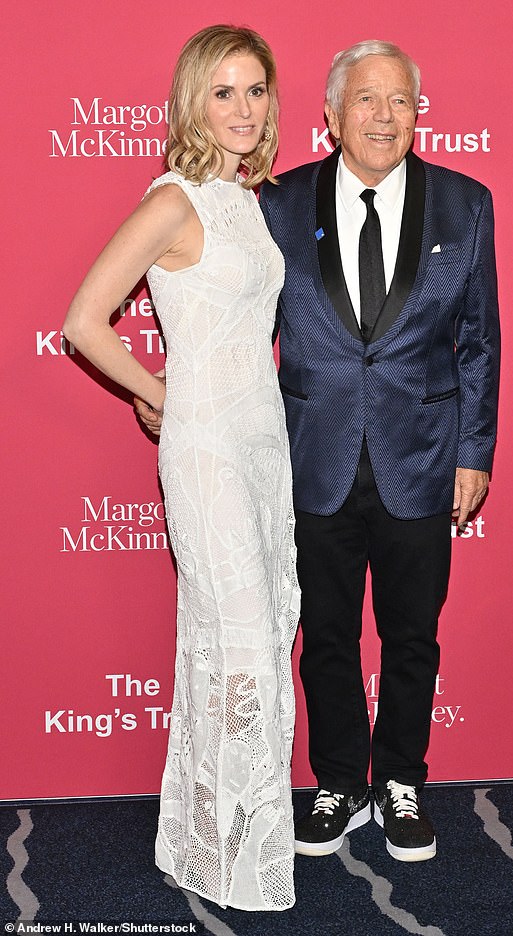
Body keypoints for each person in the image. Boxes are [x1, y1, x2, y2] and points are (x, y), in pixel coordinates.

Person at [140, 39, 500, 864]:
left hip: (423, 455)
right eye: (366, 100)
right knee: (326, 634)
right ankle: (338, 781)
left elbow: (480, 340)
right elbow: (229, 310)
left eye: (401, 101)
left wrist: (474, 449)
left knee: (413, 634)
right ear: (331, 116)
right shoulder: (274, 202)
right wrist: (170, 388)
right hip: (307, 456)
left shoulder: (465, 204)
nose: (384, 116)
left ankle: (402, 780)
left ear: (418, 113)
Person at [63, 26, 300, 911]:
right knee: (234, 634)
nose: (244, 110)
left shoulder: (245, 199)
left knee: (262, 632)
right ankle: (231, 859)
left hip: (261, 443)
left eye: (256, 92)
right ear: (194, 101)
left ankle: (212, 841)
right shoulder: (172, 200)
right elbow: (85, 320)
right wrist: (157, 389)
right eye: (225, 93)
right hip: (205, 444)